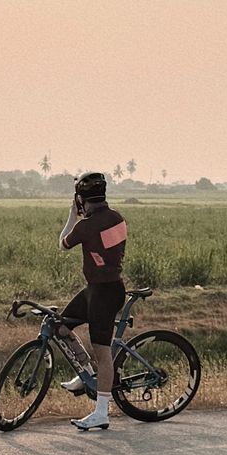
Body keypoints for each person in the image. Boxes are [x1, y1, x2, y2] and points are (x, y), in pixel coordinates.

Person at [57, 172, 128, 432]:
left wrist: (72, 215)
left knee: (103, 352)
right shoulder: (116, 217)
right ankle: (85, 373)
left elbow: (63, 244)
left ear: (81, 199)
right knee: (61, 327)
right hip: (99, 289)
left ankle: (101, 412)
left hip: (104, 293)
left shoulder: (86, 226)